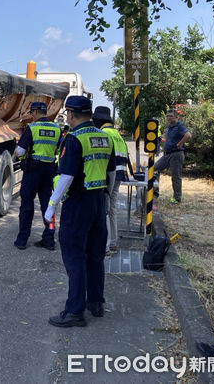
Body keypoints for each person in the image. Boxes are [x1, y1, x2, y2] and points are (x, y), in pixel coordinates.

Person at [43, 96, 116, 327]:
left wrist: (51, 205)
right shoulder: (105, 138)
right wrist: (105, 199)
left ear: (71, 114)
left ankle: (74, 311)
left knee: (74, 257)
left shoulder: (74, 139)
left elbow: (66, 176)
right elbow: (111, 173)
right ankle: (95, 303)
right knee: (95, 256)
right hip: (98, 202)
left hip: (78, 204)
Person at [13, 101, 61, 250]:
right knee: (48, 206)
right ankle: (49, 240)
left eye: (31, 113)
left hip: (32, 171)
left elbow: (19, 152)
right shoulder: (57, 128)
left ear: (34, 112)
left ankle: (22, 240)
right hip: (49, 171)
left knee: (27, 206)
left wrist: (22, 156)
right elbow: (59, 150)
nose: (31, 116)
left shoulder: (32, 128)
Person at [92, 106, 128, 255]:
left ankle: (105, 246)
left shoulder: (103, 134)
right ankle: (113, 242)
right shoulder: (117, 134)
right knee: (112, 209)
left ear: (99, 120)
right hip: (119, 174)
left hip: (108, 176)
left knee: (104, 210)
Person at [154, 109, 191, 204]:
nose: (168, 118)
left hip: (176, 154)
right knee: (154, 169)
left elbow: (188, 135)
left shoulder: (179, 126)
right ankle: (154, 192)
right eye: (167, 116)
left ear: (176, 117)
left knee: (176, 177)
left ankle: (176, 199)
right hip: (167, 154)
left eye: (170, 116)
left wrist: (180, 143)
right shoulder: (169, 126)